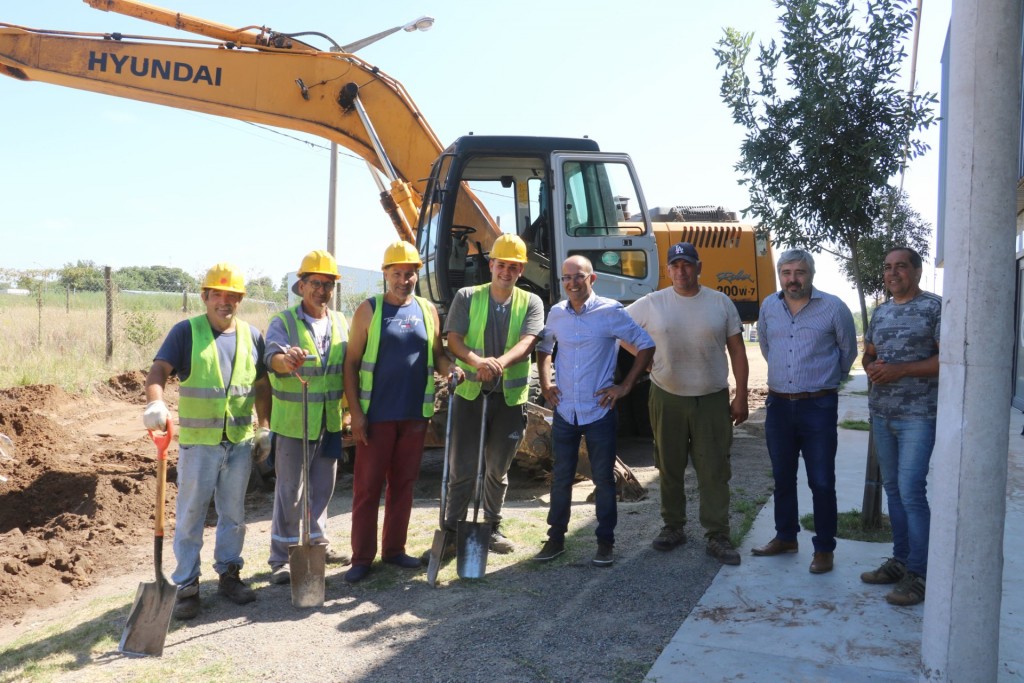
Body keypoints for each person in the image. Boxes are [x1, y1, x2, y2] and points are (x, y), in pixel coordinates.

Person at [143, 263, 271, 621]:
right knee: (191, 515)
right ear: (205, 297)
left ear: (240, 300)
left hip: (240, 442)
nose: (225, 302)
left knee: (233, 514)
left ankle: (229, 574)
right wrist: (155, 402)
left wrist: (264, 427)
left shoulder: (252, 336)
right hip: (200, 444)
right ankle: (187, 584)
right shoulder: (186, 332)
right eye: (218, 294)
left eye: (232, 296)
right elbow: (158, 372)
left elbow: (262, 386)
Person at [342, 241, 462, 583]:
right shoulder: (369, 310)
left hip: (414, 415)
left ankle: (394, 550)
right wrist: (356, 413)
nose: (404, 279)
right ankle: (362, 558)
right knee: (367, 489)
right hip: (376, 416)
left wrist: (450, 368)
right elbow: (350, 364)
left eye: (410, 273)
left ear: (416, 275)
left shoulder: (427, 310)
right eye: (397, 273)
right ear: (385, 274)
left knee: (404, 485)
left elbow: (437, 355)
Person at [626, 242, 749, 566]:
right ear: (667, 270)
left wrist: (741, 395)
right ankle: (673, 527)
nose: (681, 271)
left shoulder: (720, 303)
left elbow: (738, 351)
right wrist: (648, 364)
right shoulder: (652, 303)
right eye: (675, 265)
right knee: (669, 466)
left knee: (714, 470)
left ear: (699, 267)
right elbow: (618, 329)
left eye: (687, 265)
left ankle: (717, 534)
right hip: (667, 396)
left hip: (711, 398)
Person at [533, 255, 655, 567]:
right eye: (566, 278)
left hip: (599, 411)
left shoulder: (610, 311)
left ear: (592, 278)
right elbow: (544, 349)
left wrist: (624, 386)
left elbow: (645, 345)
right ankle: (556, 539)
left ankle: (605, 543)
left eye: (579, 276)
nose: (572, 283)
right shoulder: (556, 313)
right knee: (560, 477)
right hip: (565, 411)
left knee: (603, 478)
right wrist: (547, 385)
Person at [752, 248, 857, 574]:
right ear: (780, 275)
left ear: (811, 274)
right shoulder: (769, 305)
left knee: (822, 480)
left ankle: (824, 548)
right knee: (782, 477)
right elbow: (767, 347)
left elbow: (847, 353)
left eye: (799, 272)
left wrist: (822, 382)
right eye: (786, 273)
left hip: (818, 406)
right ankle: (786, 536)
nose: (792, 279)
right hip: (779, 405)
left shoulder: (834, 308)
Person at [442, 233, 545, 556]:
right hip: (471, 394)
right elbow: (453, 340)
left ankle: (492, 525)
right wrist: (477, 361)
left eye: (514, 267)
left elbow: (529, 341)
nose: (507, 272)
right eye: (502, 265)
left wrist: (498, 363)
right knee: (462, 467)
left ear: (521, 270)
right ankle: (451, 530)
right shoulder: (467, 296)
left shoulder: (531, 302)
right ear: (491, 265)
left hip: (509, 400)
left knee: (497, 469)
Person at [860, 247, 940, 606]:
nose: (893, 273)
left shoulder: (935, 308)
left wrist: (901, 370)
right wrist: (871, 366)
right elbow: (871, 352)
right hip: (882, 413)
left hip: (918, 416)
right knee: (893, 489)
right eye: (888, 267)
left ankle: (921, 575)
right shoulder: (881, 312)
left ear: (917, 271)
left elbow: (947, 358)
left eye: (901, 267)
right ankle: (901, 561)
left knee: (911, 491)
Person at [265, 249, 350, 585]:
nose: (322, 290)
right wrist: (288, 359)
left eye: (328, 284)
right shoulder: (284, 322)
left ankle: (316, 542)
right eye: (315, 283)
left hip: (328, 420)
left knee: (322, 488)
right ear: (300, 286)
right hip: (293, 422)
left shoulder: (341, 321)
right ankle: (282, 557)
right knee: (290, 491)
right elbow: (272, 355)